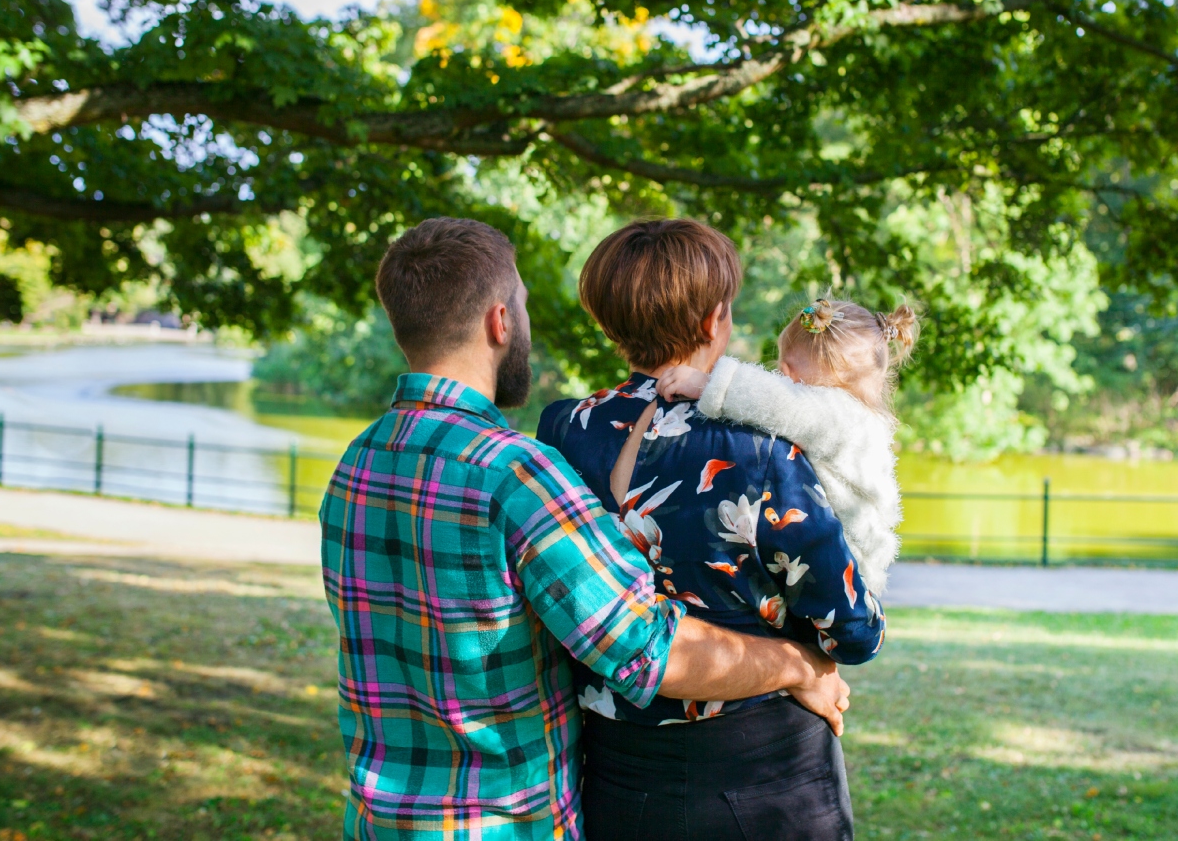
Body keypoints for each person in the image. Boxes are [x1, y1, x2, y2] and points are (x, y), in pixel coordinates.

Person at [319, 217, 850, 841]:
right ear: (499, 322)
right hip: (501, 823)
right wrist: (799, 664)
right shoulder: (513, 474)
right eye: (520, 303)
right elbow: (646, 650)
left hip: (381, 821)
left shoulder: (357, 464)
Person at [537, 220, 886, 841]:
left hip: (614, 772)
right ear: (713, 321)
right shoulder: (760, 447)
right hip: (761, 777)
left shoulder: (565, 430)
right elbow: (851, 626)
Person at [656, 297, 920, 595]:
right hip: (834, 565)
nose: (781, 378)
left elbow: (785, 405)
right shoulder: (853, 420)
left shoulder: (845, 417)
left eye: (787, 370)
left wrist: (709, 384)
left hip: (843, 572)